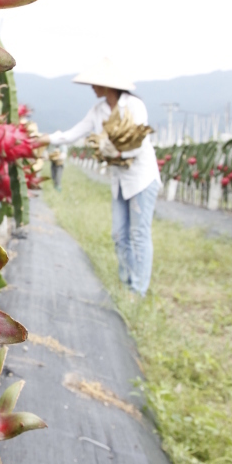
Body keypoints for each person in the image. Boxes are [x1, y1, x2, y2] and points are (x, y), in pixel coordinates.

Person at [36, 58, 160, 297]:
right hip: (120, 180)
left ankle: (138, 289)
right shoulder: (98, 111)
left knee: (139, 234)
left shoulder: (134, 106)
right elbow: (74, 133)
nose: (92, 88)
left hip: (141, 179)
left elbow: (140, 141)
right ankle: (127, 281)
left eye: (95, 83)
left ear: (108, 85)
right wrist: (47, 139)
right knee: (119, 233)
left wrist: (117, 151)